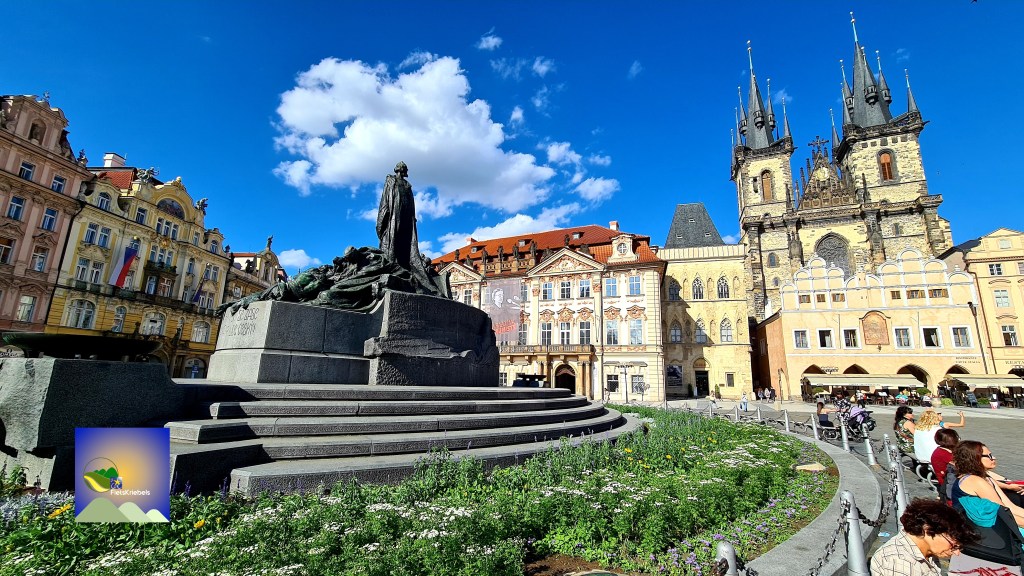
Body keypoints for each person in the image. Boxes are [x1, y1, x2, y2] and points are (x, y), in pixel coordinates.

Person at [869, 498, 976, 576]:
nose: (957, 553)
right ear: (928, 529)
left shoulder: (926, 551)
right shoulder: (900, 563)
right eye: (954, 545)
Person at [951, 441, 1024, 530]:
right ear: (975, 458)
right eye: (989, 456)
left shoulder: (987, 479)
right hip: (976, 530)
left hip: (993, 525)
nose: (994, 458)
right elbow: (1003, 514)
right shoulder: (974, 481)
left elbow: (1010, 507)